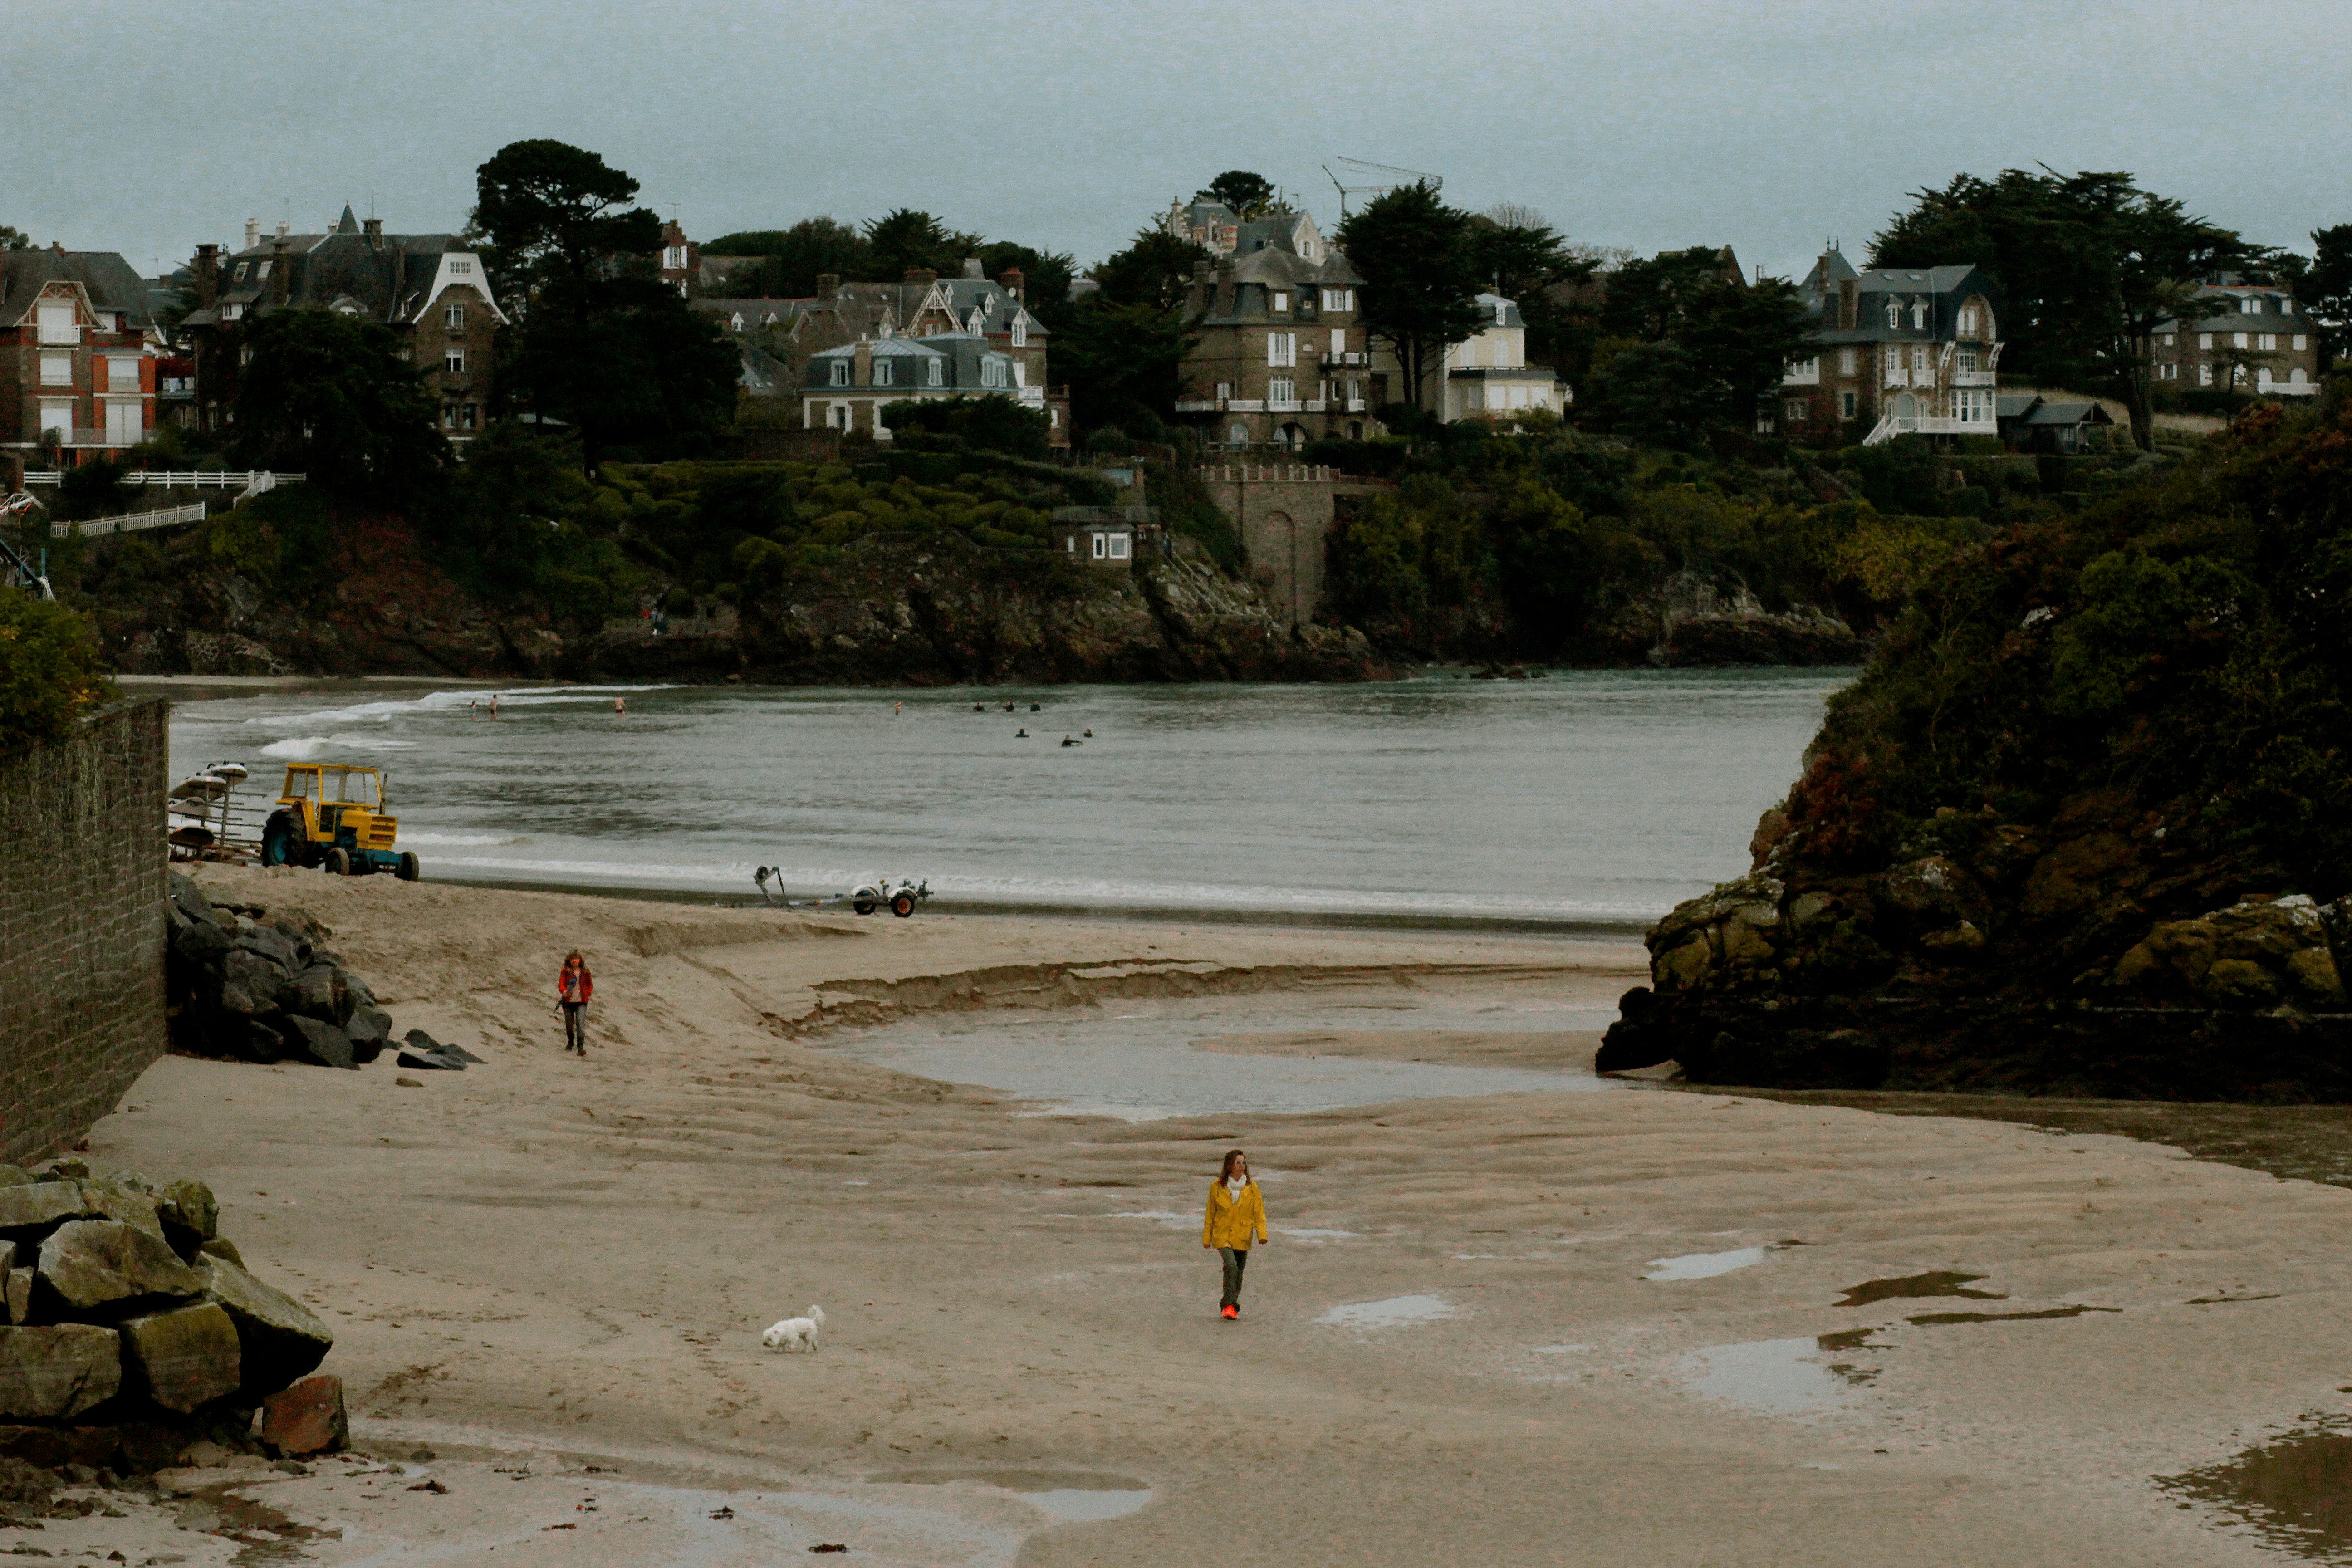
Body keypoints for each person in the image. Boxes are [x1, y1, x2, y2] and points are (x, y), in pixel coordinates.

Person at [1201, 1149, 1268, 1320]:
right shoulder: (1217, 1186)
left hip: (1243, 1235)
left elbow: (1259, 1212)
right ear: (1229, 1166)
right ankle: (1229, 1305)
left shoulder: (1252, 1187)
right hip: (1222, 1234)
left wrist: (1262, 1234)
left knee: (1238, 1272)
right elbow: (1210, 1213)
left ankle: (1231, 1307)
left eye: (1244, 1162)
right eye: (1238, 1162)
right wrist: (1207, 1238)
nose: (1242, 1166)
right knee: (1230, 1265)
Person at [558, 951, 594, 1055]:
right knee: (569, 1025)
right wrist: (564, 991)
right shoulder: (565, 971)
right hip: (568, 1003)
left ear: (580, 960)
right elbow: (561, 984)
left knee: (580, 1023)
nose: (575, 961)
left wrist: (588, 994)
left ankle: (581, 1047)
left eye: (577, 959)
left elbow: (589, 985)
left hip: (581, 1002)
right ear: (569, 960)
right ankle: (571, 1042)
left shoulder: (586, 971)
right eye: (573, 959)